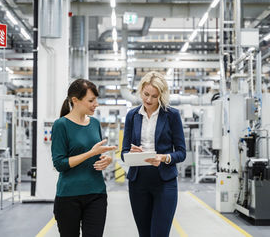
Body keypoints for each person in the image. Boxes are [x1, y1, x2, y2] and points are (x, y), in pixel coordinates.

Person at [121, 71, 186, 237]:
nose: (148, 100)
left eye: (154, 96)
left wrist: (164, 157)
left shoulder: (172, 115)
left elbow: (181, 152)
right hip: (138, 182)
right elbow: (123, 153)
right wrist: (131, 153)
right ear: (141, 90)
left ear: (161, 96)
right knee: (144, 234)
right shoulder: (132, 116)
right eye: (146, 94)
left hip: (164, 182)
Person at [51, 79, 116, 237]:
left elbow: (98, 153)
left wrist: (106, 159)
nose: (96, 104)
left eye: (96, 100)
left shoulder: (95, 123)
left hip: (96, 193)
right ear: (75, 100)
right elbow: (60, 164)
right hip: (68, 196)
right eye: (91, 100)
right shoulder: (61, 125)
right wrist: (90, 153)